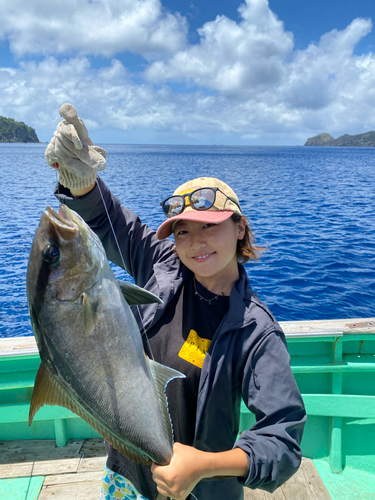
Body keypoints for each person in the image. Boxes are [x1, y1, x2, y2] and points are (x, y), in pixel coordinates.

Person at [45, 104, 306, 500]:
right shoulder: (162, 266)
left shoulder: (256, 331)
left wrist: (203, 465)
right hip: (126, 474)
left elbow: (283, 443)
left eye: (210, 227)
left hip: (199, 491)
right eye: (182, 232)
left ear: (239, 228)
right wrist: (80, 178)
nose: (195, 242)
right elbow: (111, 221)